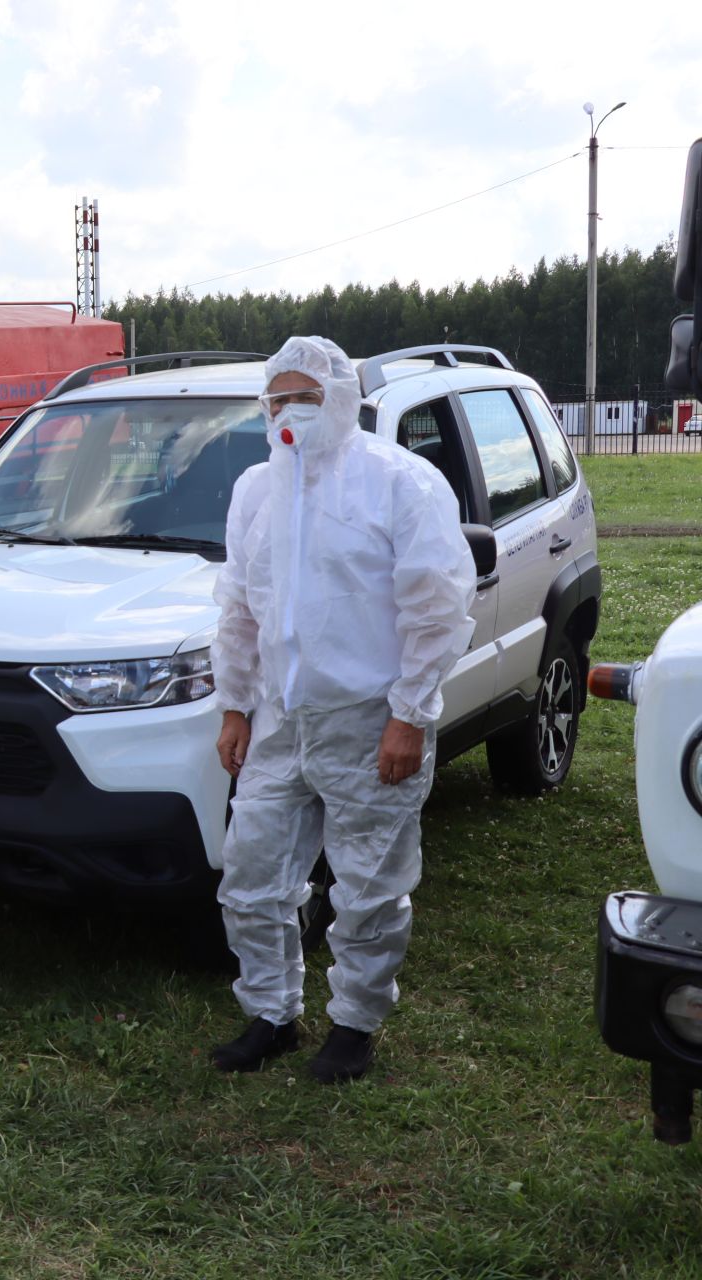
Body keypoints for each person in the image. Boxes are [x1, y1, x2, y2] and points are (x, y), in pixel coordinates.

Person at [209, 335, 476, 1084]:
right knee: (251, 875)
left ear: (340, 398)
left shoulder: (398, 482)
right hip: (281, 718)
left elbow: (435, 606)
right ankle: (272, 1012)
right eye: (277, 398)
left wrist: (410, 715)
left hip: (367, 718)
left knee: (367, 886)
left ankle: (354, 1025)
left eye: (304, 395)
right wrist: (235, 704)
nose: (288, 410)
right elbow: (240, 607)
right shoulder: (257, 491)